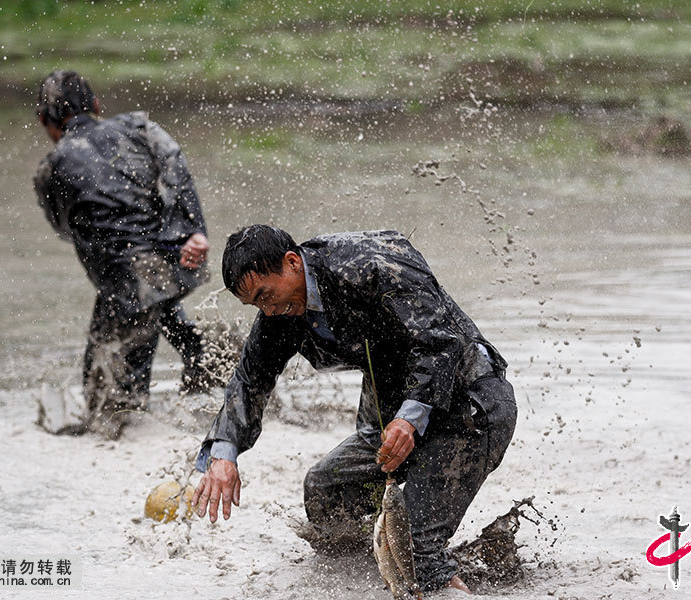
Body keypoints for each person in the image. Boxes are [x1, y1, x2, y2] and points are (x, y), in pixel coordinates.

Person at [192, 225, 517, 592]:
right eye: (256, 305)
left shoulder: (370, 263)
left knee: (412, 555)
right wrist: (224, 453)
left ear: (292, 262)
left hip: (469, 407)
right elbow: (250, 380)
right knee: (325, 494)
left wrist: (409, 420)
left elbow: (441, 341)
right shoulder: (278, 314)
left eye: (266, 295)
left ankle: (432, 569)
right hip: (391, 415)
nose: (267, 310)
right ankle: (372, 574)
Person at [33, 70, 210, 439]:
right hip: (171, 258)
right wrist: (192, 229)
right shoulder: (137, 128)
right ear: (97, 106)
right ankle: (209, 368)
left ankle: (139, 431)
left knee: (111, 408)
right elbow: (174, 166)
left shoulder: (50, 171)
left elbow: (65, 230)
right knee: (155, 307)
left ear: (45, 122)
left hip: (122, 284)